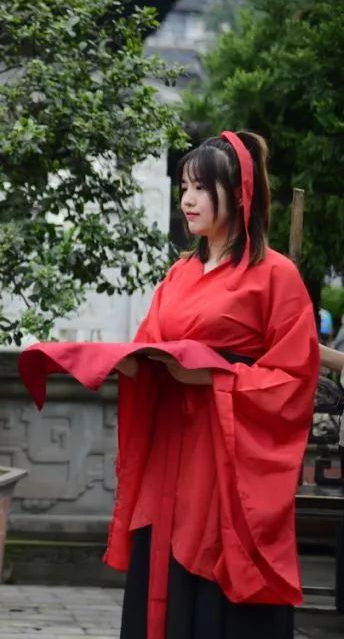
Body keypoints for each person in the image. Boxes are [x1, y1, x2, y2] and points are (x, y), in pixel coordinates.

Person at [110, 132, 320, 639]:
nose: (186, 199)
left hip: (228, 451)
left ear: (239, 192)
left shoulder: (275, 276)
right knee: (160, 558)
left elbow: (295, 377)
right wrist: (125, 365)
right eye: (183, 185)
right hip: (170, 449)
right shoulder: (179, 273)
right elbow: (149, 344)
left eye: (201, 187)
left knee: (216, 564)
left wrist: (214, 376)